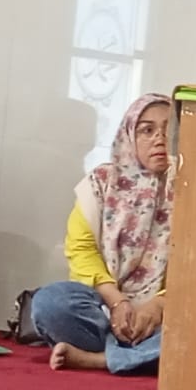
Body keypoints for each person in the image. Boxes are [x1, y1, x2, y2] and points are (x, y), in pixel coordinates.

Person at [32, 94, 172, 374]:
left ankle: (100, 359)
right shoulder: (101, 183)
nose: (160, 139)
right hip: (107, 308)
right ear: (128, 136)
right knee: (51, 302)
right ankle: (138, 356)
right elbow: (81, 250)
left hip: (168, 314)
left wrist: (158, 305)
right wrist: (117, 302)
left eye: (169, 131)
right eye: (147, 130)